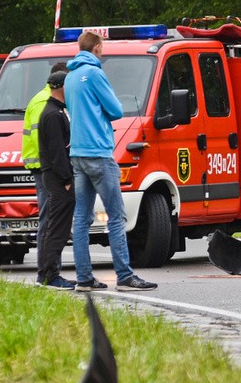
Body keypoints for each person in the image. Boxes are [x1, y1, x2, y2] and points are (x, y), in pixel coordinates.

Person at [65, 31, 157, 291]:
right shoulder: (94, 73)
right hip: (99, 152)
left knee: (81, 219)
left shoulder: (71, 76)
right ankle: (125, 277)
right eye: (101, 48)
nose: (102, 52)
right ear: (96, 48)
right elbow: (116, 110)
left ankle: (84, 278)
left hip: (78, 154)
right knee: (116, 217)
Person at [23, 62, 69, 285]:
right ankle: (48, 272)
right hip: (47, 169)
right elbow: (52, 143)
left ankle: (48, 271)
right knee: (50, 220)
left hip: (42, 166)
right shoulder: (46, 103)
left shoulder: (39, 98)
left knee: (49, 219)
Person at [36, 71, 76, 289]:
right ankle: (50, 275)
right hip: (57, 177)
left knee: (56, 227)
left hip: (56, 176)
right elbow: (57, 151)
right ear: (62, 87)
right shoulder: (53, 114)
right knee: (57, 228)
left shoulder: (57, 111)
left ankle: (46, 274)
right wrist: (67, 178)